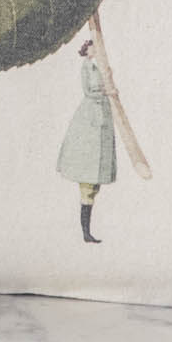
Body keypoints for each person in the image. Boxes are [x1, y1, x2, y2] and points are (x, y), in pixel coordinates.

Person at [57, 36, 117, 243]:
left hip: (102, 115)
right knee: (88, 172)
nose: (95, 49)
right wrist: (106, 91)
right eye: (92, 46)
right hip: (91, 116)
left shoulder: (101, 66)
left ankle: (87, 231)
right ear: (88, 50)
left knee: (95, 176)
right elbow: (89, 90)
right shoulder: (88, 67)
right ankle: (85, 231)